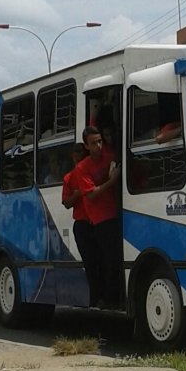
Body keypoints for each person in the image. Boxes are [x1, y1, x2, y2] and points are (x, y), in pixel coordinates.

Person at [77, 126, 122, 309]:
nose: (99, 146)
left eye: (100, 141)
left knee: (116, 259)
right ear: (87, 146)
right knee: (108, 260)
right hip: (101, 219)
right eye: (94, 143)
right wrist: (111, 182)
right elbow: (91, 195)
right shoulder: (82, 168)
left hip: (117, 213)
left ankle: (114, 297)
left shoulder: (109, 156)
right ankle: (108, 299)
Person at [62, 142, 99, 307]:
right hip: (82, 225)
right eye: (76, 152)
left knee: (101, 261)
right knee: (90, 263)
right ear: (72, 155)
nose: (79, 154)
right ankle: (94, 299)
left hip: (97, 222)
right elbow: (67, 203)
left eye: (82, 152)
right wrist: (77, 194)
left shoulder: (92, 172)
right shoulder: (69, 177)